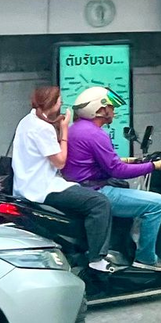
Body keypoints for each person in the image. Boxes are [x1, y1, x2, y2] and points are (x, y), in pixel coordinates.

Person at [63, 87, 161, 272]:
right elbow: (117, 170)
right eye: (111, 107)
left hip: (80, 188)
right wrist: (154, 166)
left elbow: (94, 161)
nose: (113, 111)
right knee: (156, 203)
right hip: (97, 191)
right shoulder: (96, 134)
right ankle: (146, 258)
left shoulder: (76, 129)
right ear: (99, 109)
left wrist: (129, 160)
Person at [11, 86, 116, 273]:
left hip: (26, 184)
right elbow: (60, 162)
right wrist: (64, 130)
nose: (62, 103)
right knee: (99, 202)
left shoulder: (27, 121)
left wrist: (57, 126)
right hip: (44, 187)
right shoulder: (42, 128)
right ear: (53, 102)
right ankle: (97, 258)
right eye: (59, 100)